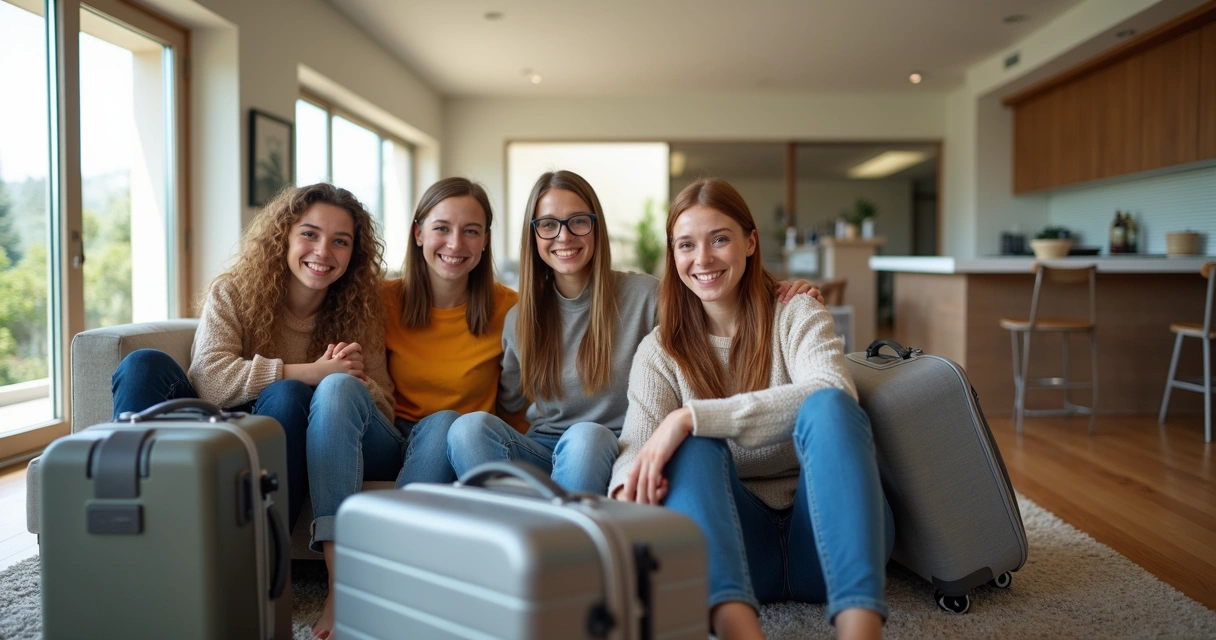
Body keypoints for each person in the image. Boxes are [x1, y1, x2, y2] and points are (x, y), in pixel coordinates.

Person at [610, 178, 894, 640]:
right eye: (686, 245)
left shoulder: (796, 312)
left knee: (829, 406)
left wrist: (691, 416)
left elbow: (833, 392)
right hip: (736, 550)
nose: (702, 259)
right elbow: (636, 448)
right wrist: (628, 487)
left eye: (719, 239)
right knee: (690, 447)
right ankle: (739, 631)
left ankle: (861, 632)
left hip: (827, 534)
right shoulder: (659, 351)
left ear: (750, 242)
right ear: (673, 256)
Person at [448, 170, 823, 495]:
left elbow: (708, 301)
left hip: (611, 446)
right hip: (542, 447)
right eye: (548, 224)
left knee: (585, 436)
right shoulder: (519, 318)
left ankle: (561, 547)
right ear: (534, 235)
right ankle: (525, 532)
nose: (563, 236)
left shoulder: (645, 295)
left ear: (596, 228)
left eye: (578, 221)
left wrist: (773, 288)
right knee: (466, 429)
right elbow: (509, 404)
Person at [110, 183, 391, 544]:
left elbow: (386, 405)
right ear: (283, 237)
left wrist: (351, 382)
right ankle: (128, 523)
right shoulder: (233, 291)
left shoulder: (361, 313)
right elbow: (208, 380)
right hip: (215, 426)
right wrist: (314, 372)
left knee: (288, 394)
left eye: (340, 241)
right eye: (309, 234)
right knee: (142, 365)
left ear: (354, 252)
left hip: (283, 437)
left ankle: (262, 555)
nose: (323, 251)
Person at [308, 176, 523, 638]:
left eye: (472, 230)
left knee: (446, 421)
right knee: (335, 388)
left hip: (452, 441)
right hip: (387, 435)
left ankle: (393, 572)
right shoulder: (380, 300)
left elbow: (520, 401)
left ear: (486, 242)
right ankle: (341, 579)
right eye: (442, 227)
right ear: (419, 232)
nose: (455, 243)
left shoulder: (513, 310)